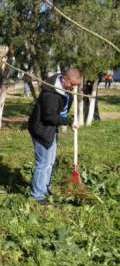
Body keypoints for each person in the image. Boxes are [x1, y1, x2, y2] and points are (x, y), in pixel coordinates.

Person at [28, 68, 81, 203]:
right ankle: (37, 195)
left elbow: (60, 111)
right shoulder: (51, 94)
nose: (74, 88)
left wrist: (68, 117)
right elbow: (49, 117)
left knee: (50, 161)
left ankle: (44, 188)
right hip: (42, 129)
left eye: (77, 85)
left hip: (50, 129)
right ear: (66, 80)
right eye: (73, 85)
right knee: (43, 163)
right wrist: (69, 121)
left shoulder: (63, 85)